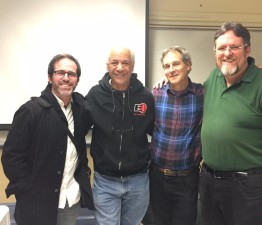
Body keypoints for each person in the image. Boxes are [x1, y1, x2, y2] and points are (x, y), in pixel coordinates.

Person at [199, 21, 262, 225]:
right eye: (221, 48)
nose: (227, 53)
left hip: (247, 186)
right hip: (209, 181)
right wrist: (166, 82)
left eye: (234, 47)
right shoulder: (214, 77)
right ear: (214, 51)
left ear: (247, 49)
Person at [1, 53, 95, 225]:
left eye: (72, 74)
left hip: (70, 200)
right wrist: (27, 190)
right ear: (50, 77)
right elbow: (11, 157)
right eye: (60, 73)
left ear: (77, 80)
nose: (66, 78)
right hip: (37, 204)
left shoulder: (81, 108)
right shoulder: (30, 111)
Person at [84, 47, 155, 225]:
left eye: (125, 63)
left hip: (138, 179)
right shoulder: (95, 95)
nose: (120, 68)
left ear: (132, 66)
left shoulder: (145, 96)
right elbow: (78, 128)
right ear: (107, 66)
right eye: (115, 62)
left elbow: (157, 131)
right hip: (105, 180)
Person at [150, 46, 204, 225]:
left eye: (176, 64)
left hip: (187, 179)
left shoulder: (203, 94)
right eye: (166, 66)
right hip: (157, 176)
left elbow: (228, 83)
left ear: (188, 65)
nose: (171, 70)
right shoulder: (155, 94)